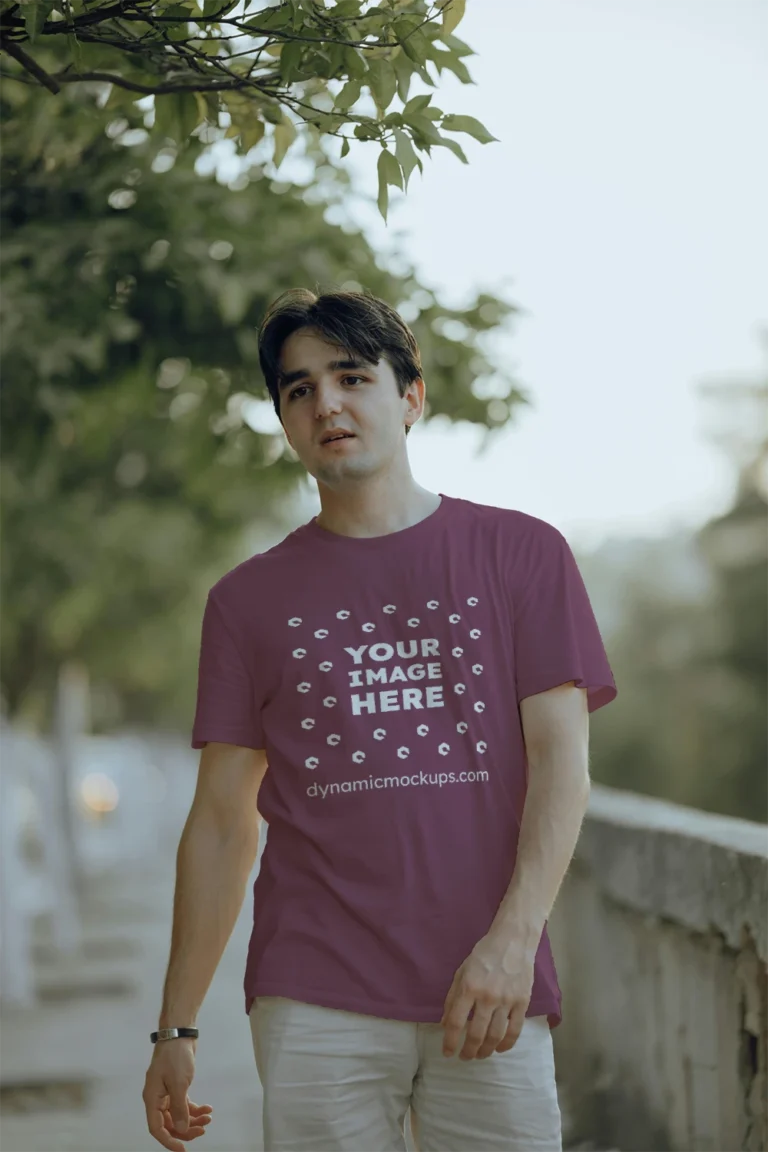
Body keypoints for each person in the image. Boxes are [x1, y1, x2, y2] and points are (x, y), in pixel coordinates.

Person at [142, 287, 617, 1152]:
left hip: (490, 983)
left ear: (410, 396)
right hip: (314, 992)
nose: (325, 402)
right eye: (298, 389)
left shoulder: (521, 555)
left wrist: (513, 945)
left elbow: (562, 769)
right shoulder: (246, 603)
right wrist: (175, 1028)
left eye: (351, 376)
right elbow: (219, 824)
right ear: (284, 419)